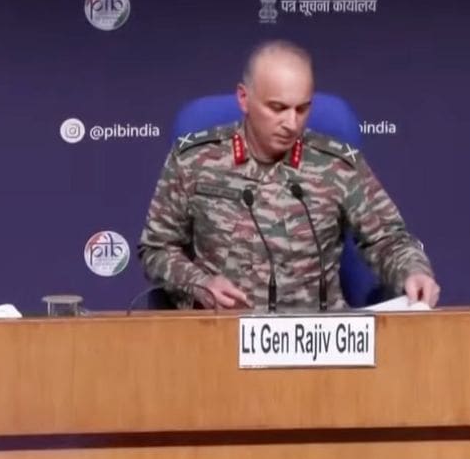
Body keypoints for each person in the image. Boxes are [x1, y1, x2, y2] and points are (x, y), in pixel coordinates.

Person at [138, 40, 439, 310]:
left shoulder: (336, 164)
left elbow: (388, 240)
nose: (291, 123)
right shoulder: (195, 159)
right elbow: (157, 248)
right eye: (278, 108)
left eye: (302, 109)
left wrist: (413, 270)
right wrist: (199, 284)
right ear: (244, 98)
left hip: (320, 341)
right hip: (223, 334)